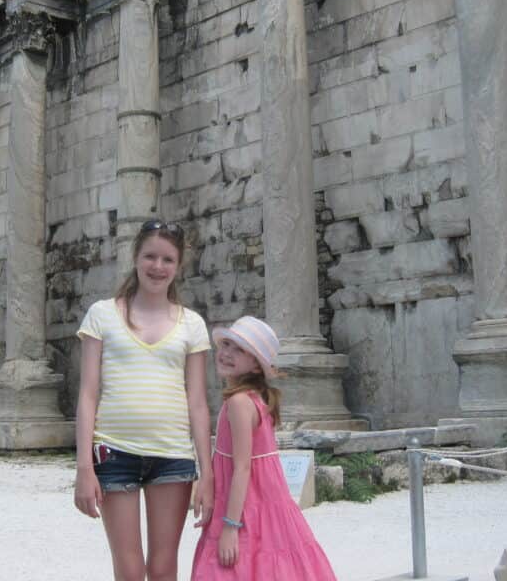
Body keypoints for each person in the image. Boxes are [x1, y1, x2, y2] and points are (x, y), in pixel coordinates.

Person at [73, 219, 214, 581]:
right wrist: (84, 469)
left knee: (165, 568)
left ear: (178, 266)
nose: (157, 266)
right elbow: (88, 394)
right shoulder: (102, 315)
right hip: (114, 452)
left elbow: (197, 401)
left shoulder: (192, 324)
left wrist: (207, 472)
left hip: (173, 457)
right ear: (135, 257)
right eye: (150, 256)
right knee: (130, 569)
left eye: (167, 259)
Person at [191, 316, 338, 581]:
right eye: (226, 344)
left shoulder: (238, 403)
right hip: (263, 505)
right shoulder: (256, 399)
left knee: (230, 567)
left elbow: (243, 468)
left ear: (257, 366)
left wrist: (230, 527)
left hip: (244, 508)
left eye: (240, 350)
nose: (226, 353)